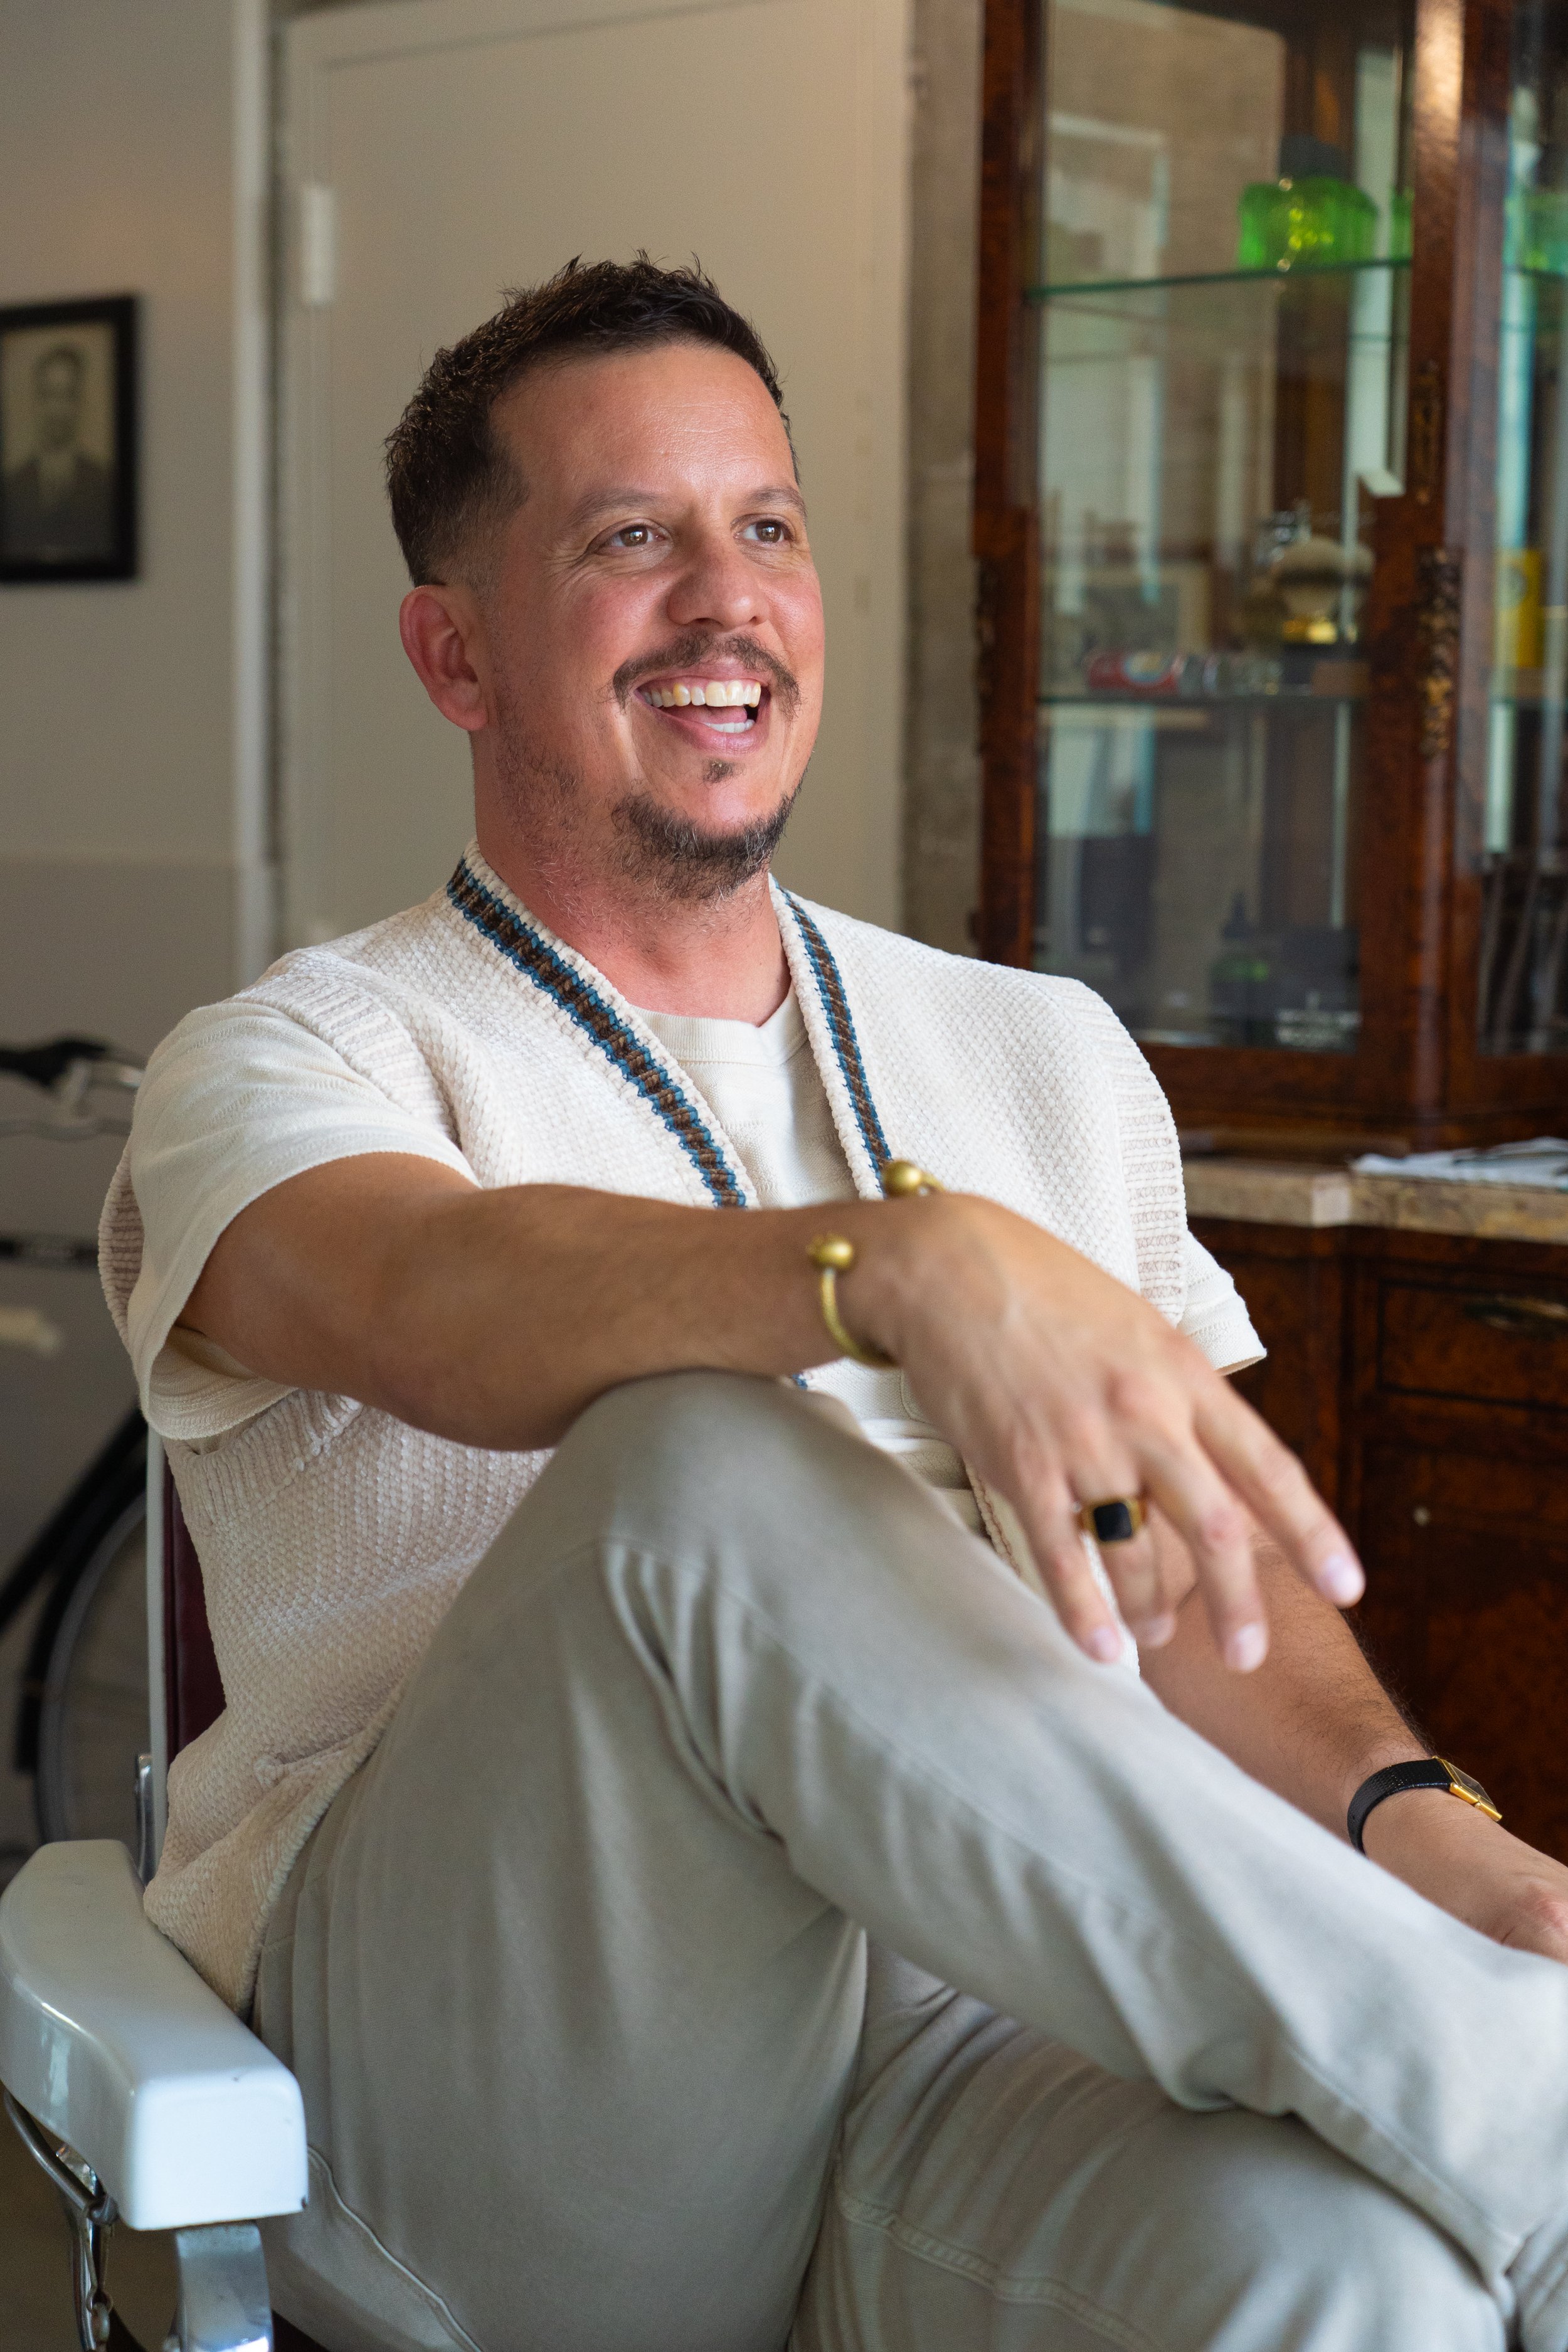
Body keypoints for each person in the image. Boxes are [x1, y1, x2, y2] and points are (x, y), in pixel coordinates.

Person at [103, 258, 1568, 2352]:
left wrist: (1429, 1837)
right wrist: (889, 1265)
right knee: (701, 1445)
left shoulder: (1045, 1052)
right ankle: (1546, 2133)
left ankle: (1508, 2149)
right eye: (631, 540)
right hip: (504, 2102)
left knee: (1357, 2273)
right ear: (454, 652)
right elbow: (433, 1296)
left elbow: (1192, 1584)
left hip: (967, 2044)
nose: (728, 602)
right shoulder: (286, 1060)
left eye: (766, 527)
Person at [2, 342, 112, 563]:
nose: (58, 409)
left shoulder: (105, 484)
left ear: (80, 402)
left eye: (67, 395)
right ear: (37, 401)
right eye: (50, 395)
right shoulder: (12, 487)